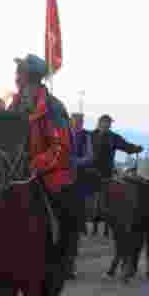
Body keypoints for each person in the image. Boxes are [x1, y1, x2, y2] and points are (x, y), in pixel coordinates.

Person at [8, 54, 75, 271]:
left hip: (48, 171)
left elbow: (61, 148)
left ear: (32, 78)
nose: (16, 79)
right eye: (17, 75)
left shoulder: (53, 107)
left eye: (20, 74)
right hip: (15, 170)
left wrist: (36, 163)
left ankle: (63, 257)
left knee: (64, 207)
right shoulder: (15, 104)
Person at [68, 112, 95, 278]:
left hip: (77, 177)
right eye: (75, 120)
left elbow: (90, 156)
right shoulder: (61, 132)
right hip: (59, 174)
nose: (77, 123)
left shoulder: (86, 136)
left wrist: (76, 161)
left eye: (80, 121)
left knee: (75, 221)